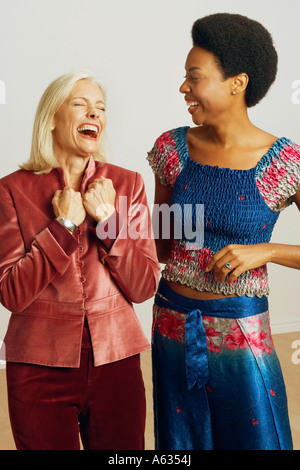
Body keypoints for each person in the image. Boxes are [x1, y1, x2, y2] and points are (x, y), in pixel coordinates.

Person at [147, 13, 300, 450]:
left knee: (256, 436)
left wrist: (265, 250)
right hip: (171, 322)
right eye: (184, 77)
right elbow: (162, 245)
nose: (183, 88)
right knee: (180, 441)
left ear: (237, 83)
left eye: (194, 77)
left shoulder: (286, 161)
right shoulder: (171, 149)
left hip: (240, 330)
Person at [0, 70, 160, 450]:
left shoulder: (128, 183)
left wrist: (108, 222)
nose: (95, 114)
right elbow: (11, 293)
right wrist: (63, 226)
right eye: (81, 105)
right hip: (37, 365)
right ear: (52, 118)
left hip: (116, 360)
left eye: (100, 108)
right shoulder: (11, 189)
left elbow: (144, 285)